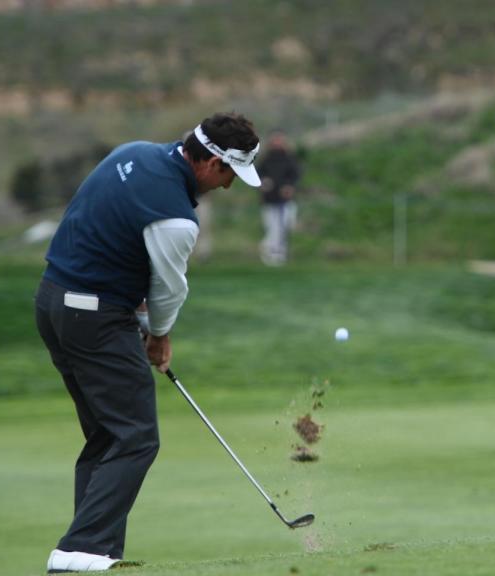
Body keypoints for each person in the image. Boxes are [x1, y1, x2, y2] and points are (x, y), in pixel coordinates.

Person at [34, 113, 261, 572]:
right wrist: (158, 336)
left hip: (53, 301)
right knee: (136, 436)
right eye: (230, 175)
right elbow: (169, 290)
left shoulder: (133, 152)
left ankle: (97, 552)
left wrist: (133, 311)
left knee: (107, 435)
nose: (228, 186)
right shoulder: (176, 219)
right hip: (94, 316)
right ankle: (79, 549)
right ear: (212, 163)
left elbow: (103, 229)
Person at [256, 130, 302, 266]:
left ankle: (280, 252)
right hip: (270, 199)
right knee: (272, 227)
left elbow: (295, 176)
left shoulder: (290, 158)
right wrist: (263, 183)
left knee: (285, 225)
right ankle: (270, 253)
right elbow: (258, 176)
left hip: (285, 200)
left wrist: (289, 186)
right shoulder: (265, 159)